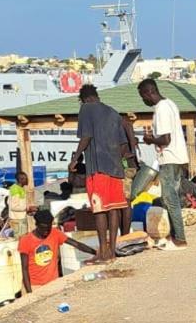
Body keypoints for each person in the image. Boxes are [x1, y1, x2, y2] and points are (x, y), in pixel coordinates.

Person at [73, 83, 134, 262]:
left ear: (84, 98)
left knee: (99, 210)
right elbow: (123, 145)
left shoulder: (86, 109)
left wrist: (75, 158)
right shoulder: (113, 113)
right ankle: (113, 250)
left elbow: (86, 136)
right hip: (116, 168)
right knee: (114, 208)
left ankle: (103, 252)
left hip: (97, 167)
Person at [137, 79, 189, 248]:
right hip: (177, 157)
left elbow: (165, 139)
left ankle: (179, 238)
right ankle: (173, 235)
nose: (143, 101)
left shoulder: (161, 109)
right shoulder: (170, 104)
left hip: (170, 157)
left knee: (169, 198)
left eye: (143, 96)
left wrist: (150, 139)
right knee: (169, 198)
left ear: (148, 93)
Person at [18, 207, 68, 293]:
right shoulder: (25, 240)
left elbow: (77, 244)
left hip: (53, 284)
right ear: (36, 225)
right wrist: (30, 293)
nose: (46, 231)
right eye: (43, 228)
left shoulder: (55, 233)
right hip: (34, 286)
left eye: (48, 228)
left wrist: (96, 252)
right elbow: (24, 269)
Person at [6, 169, 31, 238]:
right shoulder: (15, 189)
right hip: (18, 219)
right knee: (20, 240)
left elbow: (9, 202)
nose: (27, 180)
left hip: (20, 218)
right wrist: (27, 208)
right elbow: (14, 206)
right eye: (26, 179)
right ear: (21, 180)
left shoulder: (20, 188)